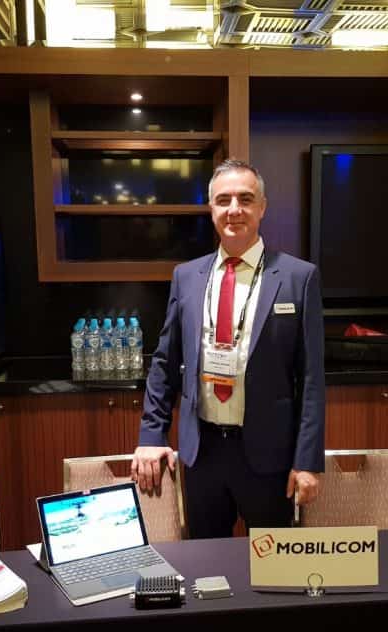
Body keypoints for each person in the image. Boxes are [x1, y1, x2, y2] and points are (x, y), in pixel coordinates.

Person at [131, 159, 325, 538]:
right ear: (211, 209)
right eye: (223, 200)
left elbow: (312, 379)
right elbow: (164, 364)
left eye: (245, 199)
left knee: (272, 564)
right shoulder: (187, 276)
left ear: (262, 207)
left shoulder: (298, 277)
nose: (234, 209)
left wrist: (307, 461)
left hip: (269, 457)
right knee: (205, 563)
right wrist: (152, 436)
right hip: (202, 454)